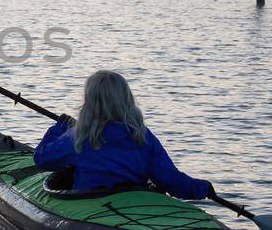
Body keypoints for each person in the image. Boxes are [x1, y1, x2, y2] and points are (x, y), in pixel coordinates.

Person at [33, 70, 213, 199]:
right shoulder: (142, 137)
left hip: (89, 203)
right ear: (127, 100)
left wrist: (59, 128)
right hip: (133, 200)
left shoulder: (79, 136)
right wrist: (200, 188)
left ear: (89, 103)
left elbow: (42, 159)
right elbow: (171, 180)